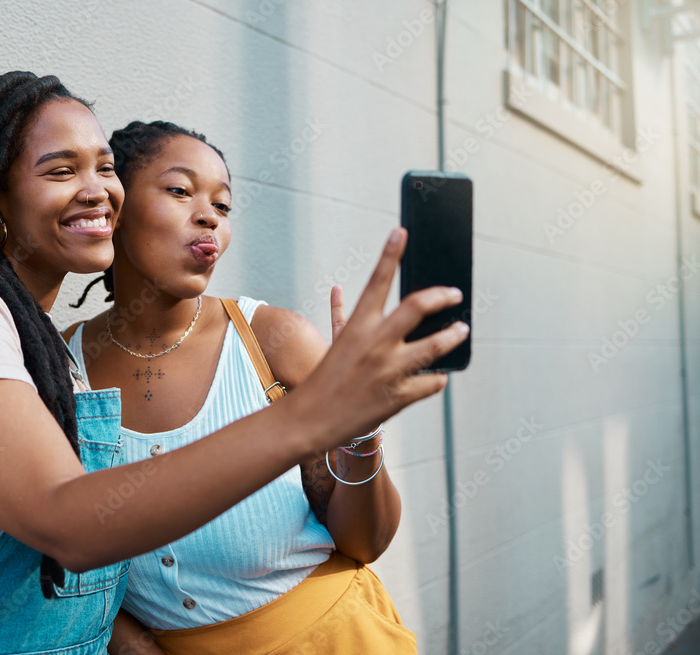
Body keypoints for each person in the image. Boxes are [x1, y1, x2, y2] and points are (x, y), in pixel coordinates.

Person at [0, 71, 467, 655]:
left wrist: (353, 431)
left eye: (104, 168)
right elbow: (67, 521)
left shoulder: (35, 346)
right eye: (62, 171)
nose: (96, 189)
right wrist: (312, 416)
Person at [67, 121, 451, 653]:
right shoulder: (62, 366)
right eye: (180, 191)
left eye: (222, 207)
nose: (209, 217)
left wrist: (361, 436)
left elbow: (366, 543)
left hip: (337, 638)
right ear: (117, 205)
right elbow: (59, 541)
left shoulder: (274, 339)